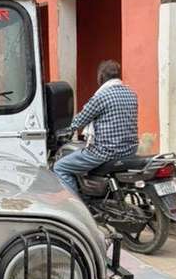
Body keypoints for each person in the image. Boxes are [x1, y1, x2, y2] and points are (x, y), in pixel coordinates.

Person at [54, 59, 139, 195]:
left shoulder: (102, 97)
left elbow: (79, 120)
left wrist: (63, 130)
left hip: (106, 151)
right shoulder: (131, 94)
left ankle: (75, 206)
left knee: (60, 167)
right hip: (130, 150)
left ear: (100, 77)